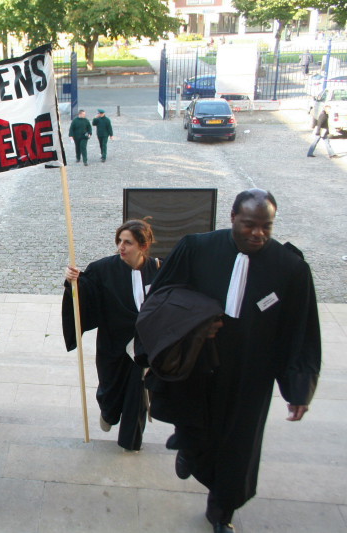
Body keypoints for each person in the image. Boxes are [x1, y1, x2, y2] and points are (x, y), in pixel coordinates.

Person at [142, 189, 321, 533]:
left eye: (266, 227)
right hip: (198, 363)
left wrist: (299, 388)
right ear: (232, 218)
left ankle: (221, 510)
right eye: (250, 225)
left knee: (240, 446)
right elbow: (162, 297)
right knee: (195, 426)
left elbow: (300, 330)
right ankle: (189, 450)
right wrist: (196, 321)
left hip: (252, 374)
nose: (258, 234)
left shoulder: (291, 269)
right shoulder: (196, 247)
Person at [61, 220, 160, 451]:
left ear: (143, 246)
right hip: (112, 343)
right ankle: (108, 412)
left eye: (128, 242)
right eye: (119, 241)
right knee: (110, 389)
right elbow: (86, 292)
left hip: (143, 346)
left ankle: (131, 440)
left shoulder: (159, 269)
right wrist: (72, 281)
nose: (121, 247)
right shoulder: (103, 268)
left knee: (137, 396)